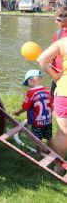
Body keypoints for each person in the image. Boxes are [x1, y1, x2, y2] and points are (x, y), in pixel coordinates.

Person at [38, 37, 67, 173]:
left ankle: (58, 168)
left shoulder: (63, 42)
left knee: (62, 134)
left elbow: (42, 60)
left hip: (64, 90)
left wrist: (55, 76)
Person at [14, 69, 53, 156]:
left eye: (27, 82)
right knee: (49, 137)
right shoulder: (47, 91)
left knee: (37, 139)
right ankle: (51, 152)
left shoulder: (31, 93)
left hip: (37, 122)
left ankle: (39, 153)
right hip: (48, 120)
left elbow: (25, 107)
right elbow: (52, 105)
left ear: (31, 80)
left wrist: (18, 112)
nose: (28, 86)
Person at [50, 6, 67, 95]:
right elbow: (52, 53)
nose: (56, 22)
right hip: (56, 75)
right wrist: (50, 60)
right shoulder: (58, 34)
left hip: (65, 76)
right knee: (53, 100)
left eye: (59, 20)